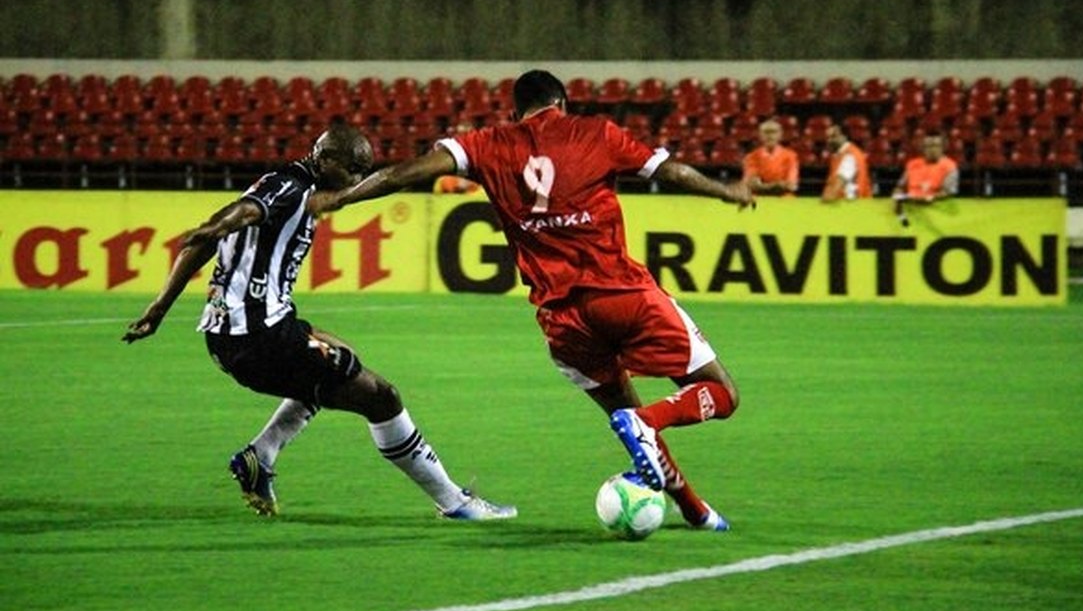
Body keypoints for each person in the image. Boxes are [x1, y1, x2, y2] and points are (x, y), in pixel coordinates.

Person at [315, 70, 754, 531]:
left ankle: (694, 509)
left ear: (514, 111)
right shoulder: (597, 133)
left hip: (563, 323)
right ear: (561, 102)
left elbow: (404, 174)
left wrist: (342, 197)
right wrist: (727, 191)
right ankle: (651, 422)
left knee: (628, 419)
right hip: (622, 294)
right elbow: (670, 171)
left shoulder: (487, 143)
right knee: (721, 393)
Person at [122, 124, 516, 521]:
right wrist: (217, 224)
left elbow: (205, 244)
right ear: (324, 160)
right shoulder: (289, 187)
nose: (358, 180)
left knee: (340, 356)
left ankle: (260, 455)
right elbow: (241, 213)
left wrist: (159, 309)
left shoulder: (296, 185)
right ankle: (455, 502)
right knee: (382, 397)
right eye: (354, 170)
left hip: (241, 334)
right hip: (259, 339)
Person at [889, 132, 959, 226]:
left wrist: (931, 197)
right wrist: (897, 194)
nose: (932, 149)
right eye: (928, 146)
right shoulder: (912, 164)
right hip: (910, 210)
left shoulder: (950, 166)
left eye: (936, 146)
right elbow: (900, 186)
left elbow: (948, 191)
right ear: (922, 148)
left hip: (936, 213)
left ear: (943, 148)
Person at [742, 119, 799, 196]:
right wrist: (777, 185)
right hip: (759, 196)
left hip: (783, 197)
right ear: (760, 135)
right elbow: (750, 184)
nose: (770, 136)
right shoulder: (751, 157)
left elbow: (792, 186)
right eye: (766, 132)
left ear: (780, 135)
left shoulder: (791, 156)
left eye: (774, 132)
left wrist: (764, 186)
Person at [821, 123, 873, 202]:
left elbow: (833, 192)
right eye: (828, 137)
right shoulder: (839, 155)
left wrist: (825, 199)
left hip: (850, 207)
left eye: (833, 136)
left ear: (845, 136)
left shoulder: (849, 157)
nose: (829, 141)